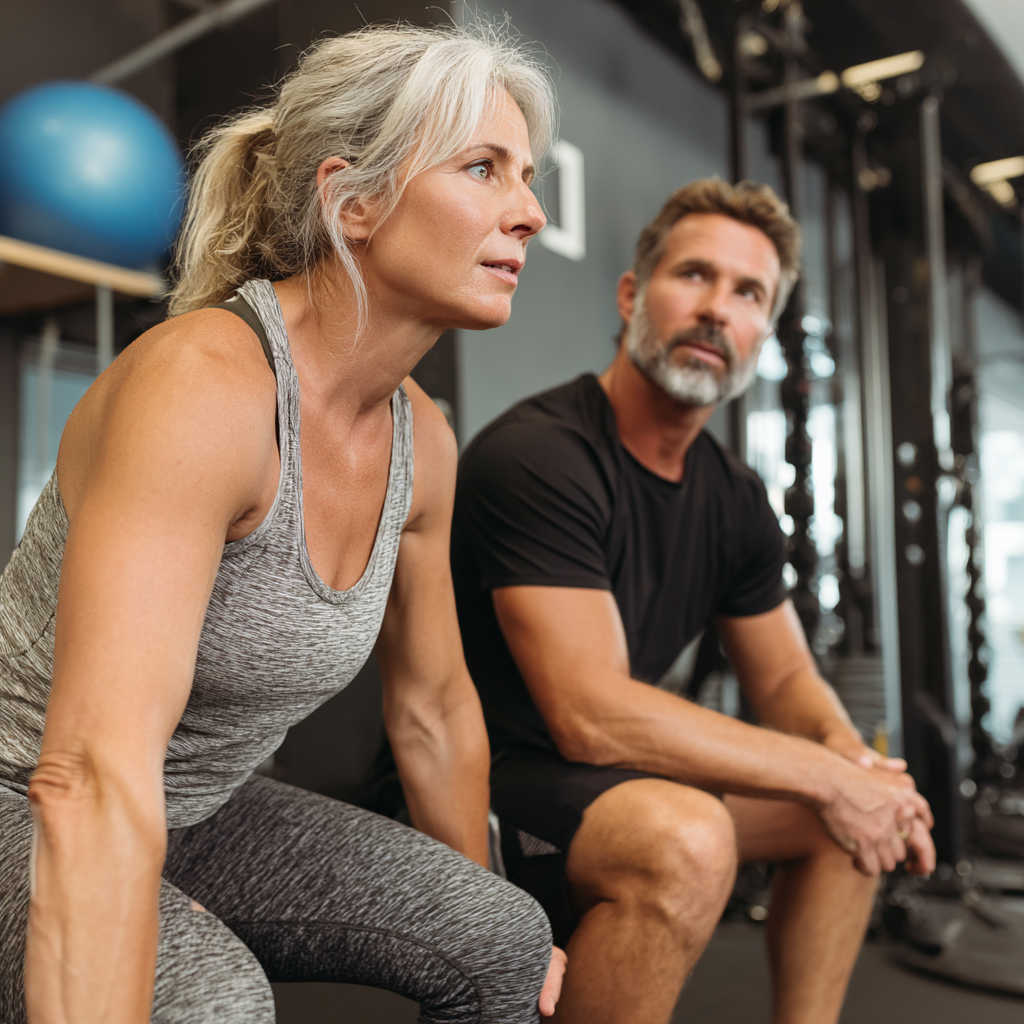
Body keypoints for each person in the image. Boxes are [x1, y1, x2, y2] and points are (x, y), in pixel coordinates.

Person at [0, 23, 567, 1024]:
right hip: (25, 787)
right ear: (353, 201)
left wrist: (483, 904)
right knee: (214, 1003)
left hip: (195, 807)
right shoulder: (205, 390)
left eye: (524, 175)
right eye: (484, 168)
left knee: (505, 937)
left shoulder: (419, 443)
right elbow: (88, 770)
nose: (527, 212)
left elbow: (434, 714)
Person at [451, 178, 937, 1024]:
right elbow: (587, 715)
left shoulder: (736, 498)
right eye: (695, 276)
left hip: (608, 778)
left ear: (762, 331)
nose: (718, 308)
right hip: (482, 781)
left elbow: (785, 678)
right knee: (690, 838)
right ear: (634, 295)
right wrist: (829, 774)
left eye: (749, 293)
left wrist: (856, 771)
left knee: (840, 819)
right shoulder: (540, 455)